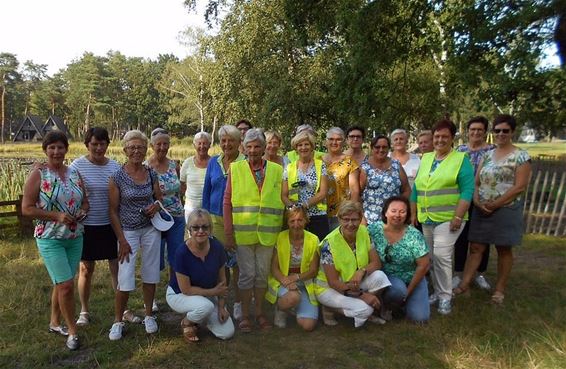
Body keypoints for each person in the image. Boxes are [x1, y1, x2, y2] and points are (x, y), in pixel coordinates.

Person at [22, 131, 89, 350]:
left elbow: (85, 203)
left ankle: (54, 322)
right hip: (50, 238)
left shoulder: (74, 173)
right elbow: (27, 209)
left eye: (60, 147)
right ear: (45, 150)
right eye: (51, 147)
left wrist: (81, 212)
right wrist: (56, 216)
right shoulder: (39, 174)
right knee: (67, 285)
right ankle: (72, 331)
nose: (56, 152)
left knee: (62, 282)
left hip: (74, 237)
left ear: (66, 149)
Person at [455, 115, 531, 305]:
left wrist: (495, 204)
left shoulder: (521, 156)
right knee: (476, 247)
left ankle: (499, 290)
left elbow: (519, 186)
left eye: (505, 131)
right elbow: (477, 181)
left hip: (506, 208)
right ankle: (464, 284)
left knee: (503, 249)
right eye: (497, 131)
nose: (501, 134)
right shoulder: (488, 155)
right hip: (482, 208)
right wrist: (478, 201)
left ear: (512, 132)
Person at [410, 119, 474, 315]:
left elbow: (467, 190)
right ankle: (438, 291)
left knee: (441, 255)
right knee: (430, 256)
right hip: (426, 216)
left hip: (449, 218)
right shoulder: (426, 158)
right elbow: (416, 188)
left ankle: (445, 297)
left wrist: (458, 216)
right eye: (437, 136)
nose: (440, 140)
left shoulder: (460, 159)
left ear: (452, 138)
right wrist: (413, 213)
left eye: (444, 136)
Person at [224, 128, 285, 332]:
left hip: (268, 232)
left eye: (257, 146)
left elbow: (283, 199)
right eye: (249, 146)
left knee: (261, 274)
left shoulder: (277, 170)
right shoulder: (235, 169)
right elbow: (227, 202)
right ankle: (245, 315)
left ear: (264, 148)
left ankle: (259, 312)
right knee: (246, 274)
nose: (252, 150)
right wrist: (228, 232)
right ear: (243, 147)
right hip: (243, 233)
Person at [108, 130, 163, 340]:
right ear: (125, 150)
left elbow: (159, 199)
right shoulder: (117, 177)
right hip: (128, 232)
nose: (136, 151)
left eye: (140, 147)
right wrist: (121, 239)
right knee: (125, 276)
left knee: (150, 273)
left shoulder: (151, 173)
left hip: (150, 229)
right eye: (132, 147)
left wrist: (156, 206)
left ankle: (149, 315)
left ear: (145, 149)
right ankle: (118, 320)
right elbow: (112, 210)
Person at [70, 127, 120, 327]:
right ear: (87, 145)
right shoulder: (77, 166)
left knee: (116, 267)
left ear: (108, 144)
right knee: (85, 269)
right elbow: (71, 193)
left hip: (111, 224)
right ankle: (84, 310)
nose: (99, 148)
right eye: (94, 144)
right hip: (87, 226)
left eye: (102, 144)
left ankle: (121, 308)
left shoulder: (115, 167)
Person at [314, 201, 391, 328]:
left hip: (353, 282)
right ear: (339, 219)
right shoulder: (328, 244)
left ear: (360, 219)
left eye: (355, 219)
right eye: (346, 219)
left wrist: (362, 271)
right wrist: (363, 295)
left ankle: (361, 307)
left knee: (380, 277)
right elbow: (333, 282)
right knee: (365, 309)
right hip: (329, 288)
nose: (350, 224)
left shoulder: (364, 232)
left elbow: (376, 263)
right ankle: (329, 308)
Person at [166, 208, 235, 342]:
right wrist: (213, 292)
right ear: (189, 230)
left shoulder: (217, 247)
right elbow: (186, 289)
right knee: (205, 307)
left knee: (227, 333)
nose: (200, 231)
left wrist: (221, 307)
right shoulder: (182, 253)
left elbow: (222, 282)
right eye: (196, 227)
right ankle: (187, 322)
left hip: (205, 295)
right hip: (179, 294)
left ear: (210, 229)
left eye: (205, 227)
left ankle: (200, 316)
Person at [202, 125, 245, 320]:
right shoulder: (213, 162)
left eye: (231, 141)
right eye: (223, 141)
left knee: (237, 263)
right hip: (215, 218)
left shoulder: (245, 162)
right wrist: (204, 217)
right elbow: (207, 190)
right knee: (220, 262)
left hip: (239, 218)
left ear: (239, 143)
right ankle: (222, 301)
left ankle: (238, 302)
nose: (227, 144)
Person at [368, 196, 430, 323]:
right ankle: (386, 305)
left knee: (420, 318)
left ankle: (401, 304)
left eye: (402, 212)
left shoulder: (414, 235)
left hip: (413, 278)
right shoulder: (373, 230)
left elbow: (423, 266)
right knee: (398, 291)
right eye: (393, 211)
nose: (397, 215)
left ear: (407, 214)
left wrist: (408, 292)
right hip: (388, 278)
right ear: (385, 212)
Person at [453, 116, 495, 290]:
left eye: (480, 129)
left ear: (485, 132)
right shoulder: (460, 151)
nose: (476, 132)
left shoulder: (492, 151)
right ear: (467, 132)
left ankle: (480, 273)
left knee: (482, 238)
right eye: (473, 129)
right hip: (463, 200)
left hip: (484, 200)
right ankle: (459, 272)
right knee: (461, 238)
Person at [265, 207, 320, 331]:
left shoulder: (314, 239)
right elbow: (274, 268)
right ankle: (281, 309)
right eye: (292, 221)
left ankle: (293, 307)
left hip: (304, 282)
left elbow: (313, 271)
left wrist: (296, 278)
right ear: (287, 222)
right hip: (282, 281)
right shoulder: (280, 237)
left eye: (300, 220)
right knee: (293, 297)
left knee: (308, 325)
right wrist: (286, 281)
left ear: (306, 220)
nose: (296, 224)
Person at [147, 128, 186, 287]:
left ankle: (175, 289)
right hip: (156, 219)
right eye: (159, 144)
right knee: (155, 258)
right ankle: (151, 296)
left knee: (176, 255)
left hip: (176, 216)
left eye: (166, 144)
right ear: (152, 145)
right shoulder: (146, 167)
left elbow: (179, 191)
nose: (162, 147)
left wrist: (182, 207)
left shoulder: (174, 165)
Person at [282, 129, 330, 241]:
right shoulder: (289, 168)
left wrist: (304, 206)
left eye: (306, 144)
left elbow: (323, 192)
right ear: (296, 148)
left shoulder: (320, 165)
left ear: (312, 146)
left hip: (317, 215)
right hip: (296, 217)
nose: (303, 147)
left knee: (318, 249)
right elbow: (284, 195)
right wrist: (293, 209)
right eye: (300, 145)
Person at [360, 135, 410, 225]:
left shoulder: (396, 165)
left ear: (388, 148)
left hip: (394, 219)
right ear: (372, 148)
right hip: (371, 220)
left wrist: (399, 207)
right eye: (377, 147)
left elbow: (407, 190)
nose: (381, 150)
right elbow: (357, 194)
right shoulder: (365, 167)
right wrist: (362, 217)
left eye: (384, 147)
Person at [323, 127, 360, 230]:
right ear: (326, 141)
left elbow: (355, 192)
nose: (334, 142)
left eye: (338, 139)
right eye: (331, 139)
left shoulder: (350, 163)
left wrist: (351, 214)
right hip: (320, 212)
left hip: (342, 213)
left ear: (343, 142)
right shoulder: (318, 161)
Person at [180, 131, 212, 222]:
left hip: (210, 208)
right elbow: (182, 185)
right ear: (194, 145)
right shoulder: (187, 163)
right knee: (193, 234)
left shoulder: (215, 162)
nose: (202, 146)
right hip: (191, 209)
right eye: (199, 143)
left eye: (205, 143)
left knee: (210, 234)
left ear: (209, 145)